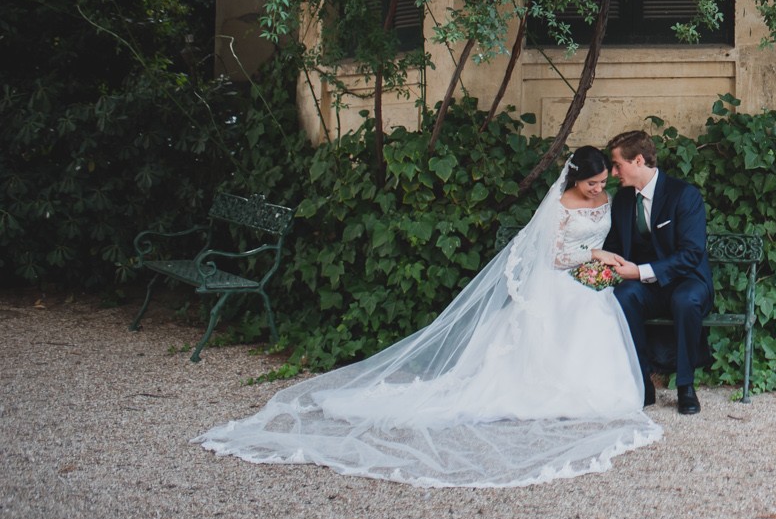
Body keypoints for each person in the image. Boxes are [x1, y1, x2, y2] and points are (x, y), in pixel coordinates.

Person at [196, 147, 662, 488]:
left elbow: (610, 231)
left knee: (597, 315)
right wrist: (597, 255)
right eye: (592, 184)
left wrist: (604, 260)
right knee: (570, 313)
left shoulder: (607, 201)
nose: (599, 190)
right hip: (563, 276)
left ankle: (599, 392)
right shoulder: (560, 207)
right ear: (574, 180)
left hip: (590, 276)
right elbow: (557, 254)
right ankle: (553, 389)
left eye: (603, 182)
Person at [597, 130, 713, 414]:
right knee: (623, 296)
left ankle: (685, 386)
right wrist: (606, 263)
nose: (613, 173)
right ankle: (643, 382)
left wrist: (639, 271)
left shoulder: (683, 195)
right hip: (646, 286)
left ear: (638, 160)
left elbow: (690, 254)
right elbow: (615, 245)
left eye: (617, 165)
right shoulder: (623, 200)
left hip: (687, 280)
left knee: (685, 301)